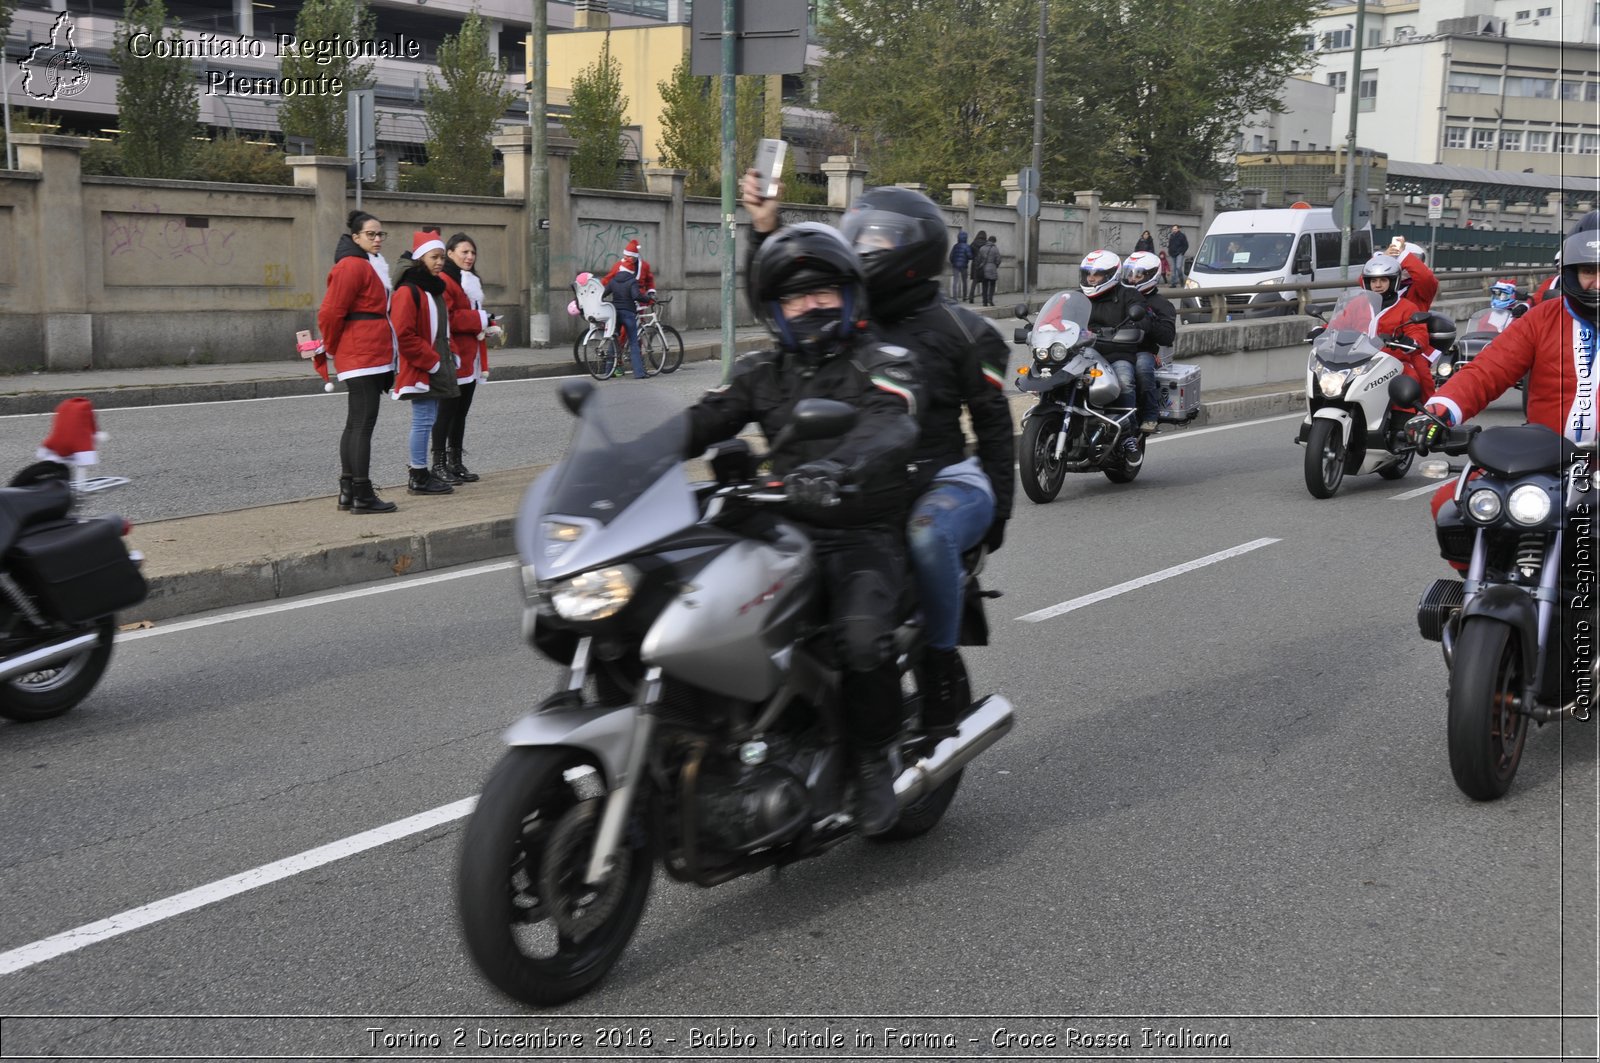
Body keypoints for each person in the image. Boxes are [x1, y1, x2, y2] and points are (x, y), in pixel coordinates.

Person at [683, 220, 922, 836]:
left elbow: (890, 425)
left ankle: (873, 759)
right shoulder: (762, 372)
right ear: (774, 308)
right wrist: (629, 454)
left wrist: (835, 468)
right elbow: (708, 417)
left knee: (862, 637)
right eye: (794, 296)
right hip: (778, 529)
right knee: (692, 613)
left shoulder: (882, 361)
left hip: (859, 529)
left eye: (822, 292)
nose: (809, 305)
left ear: (848, 295)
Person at [834, 186, 1015, 737]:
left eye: (879, 237)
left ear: (917, 248)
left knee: (928, 534)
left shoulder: (961, 331)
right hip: (864, 480)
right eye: (858, 235)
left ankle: (938, 665)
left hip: (943, 480)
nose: (864, 247)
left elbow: (992, 421)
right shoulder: (843, 318)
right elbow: (785, 291)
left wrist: (999, 512)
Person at [1410, 226, 1599, 449]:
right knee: (1467, 485)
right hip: (1546, 462)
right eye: (1589, 271)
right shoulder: (1543, 318)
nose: (1598, 283)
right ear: (1571, 273)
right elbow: (1488, 370)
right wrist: (1440, 409)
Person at [316, 210, 398, 515]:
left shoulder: (366, 264)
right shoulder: (352, 266)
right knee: (363, 424)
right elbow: (330, 312)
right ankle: (362, 493)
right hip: (362, 353)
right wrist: (334, 346)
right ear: (355, 237)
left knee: (356, 423)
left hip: (369, 352)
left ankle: (349, 490)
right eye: (370, 234)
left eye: (380, 234)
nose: (377, 240)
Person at [390, 231, 462, 495]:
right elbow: (403, 334)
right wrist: (432, 362)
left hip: (434, 363)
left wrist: (449, 355)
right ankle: (418, 475)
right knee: (422, 420)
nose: (440, 262)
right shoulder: (409, 291)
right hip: (423, 366)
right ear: (421, 258)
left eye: (442, 257)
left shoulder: (432, 289)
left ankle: (421, 472)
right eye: (434, 257)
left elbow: (442, 329)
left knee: (428, 418)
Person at [1077, 249, 1151, 462]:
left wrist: (1129, 326)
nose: (1091, 278)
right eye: (1088, 273)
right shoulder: (1077, 296)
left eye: (1097, 273)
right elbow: (1060, 315)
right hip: (1083, 354)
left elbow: (1142, 318)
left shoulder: (1129, 295)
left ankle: (1128, 436)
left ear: (1111, 274)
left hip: (1117, 354)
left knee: (1125, 380)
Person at [434, 232, 496, 485]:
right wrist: (481, 319)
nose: (470, 257)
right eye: (464, 252)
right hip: (454, 355)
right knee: (446, 412)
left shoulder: (469, 280)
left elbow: (468, 314)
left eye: (472, 252)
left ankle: (455, 461)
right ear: (450, 254)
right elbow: (448, 318)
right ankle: (438, 463)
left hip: (471, 354)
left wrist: (487, 322)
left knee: (461, 413)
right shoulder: (446, 281)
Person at [1359, 253, 1435, 398]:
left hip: (1396, 359)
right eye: (1374, 281)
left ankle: (1429, 413)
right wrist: (1321, 331)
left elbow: (1418, 333)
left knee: (1417, 378)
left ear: (1394, 280)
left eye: (1383, 280)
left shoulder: (1410, 302)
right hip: (1360, 360)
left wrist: (1409, 341)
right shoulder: (1359, 303)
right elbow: (1340, 323)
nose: (1378, 284)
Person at [1120, 250, 1178, 432]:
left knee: (1143, 368)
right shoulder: (1120, 297)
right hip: (1116, 348)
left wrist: (1149, 319)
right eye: (1130, 273)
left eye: (1139, 274)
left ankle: (1150, 414)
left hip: (1143, 351)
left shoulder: (1161, 304)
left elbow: (1167, 336)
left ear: (1152, 275)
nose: (1132, 278)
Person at [603, 251, 648, 380]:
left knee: (614, 340)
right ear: (630, 270)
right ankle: (639, 373)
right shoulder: (632, 281)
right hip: (628, 313)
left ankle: (608, 370)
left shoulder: (613, 281)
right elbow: (636, 296)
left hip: (615, 313)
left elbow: (604, 293)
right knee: (634, 342)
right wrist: (646, 299)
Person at [1384, 236, 1438, 311]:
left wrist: (1404, 254)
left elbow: (1424, 277)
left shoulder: (1419, 288)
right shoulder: (1385, 282)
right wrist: (1383, 259)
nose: (1400, 262)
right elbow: (1364, 281)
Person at [975, 234, 1001, 306]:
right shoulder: (995, 249)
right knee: (992, 285)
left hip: (984, 269)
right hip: (992, 268)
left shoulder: (982, 248)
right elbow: (998, 260)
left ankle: (984, 301)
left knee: (984, 285)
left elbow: (979, 259)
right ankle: (990, 300)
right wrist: (995, 265)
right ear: (994, 241)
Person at [948, 230, 973, 302]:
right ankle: (964, 297)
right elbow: (970, 256)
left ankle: (955, 297)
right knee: (964, 281)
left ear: (958, 238)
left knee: (955, 281)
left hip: (955, 266)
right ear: (966, 238)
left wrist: (954, 262)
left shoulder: (955, 246)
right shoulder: (967, 246)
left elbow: (951, 257)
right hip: (964, 266)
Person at [968, 231, 987, 302]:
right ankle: (984, 299)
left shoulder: (973, 243)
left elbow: (970, 253)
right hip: (983, 264)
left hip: (975, 263)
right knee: (984, 282)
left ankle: (971, 297)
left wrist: (973, 257)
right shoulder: (986, 243)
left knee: (974, 282)